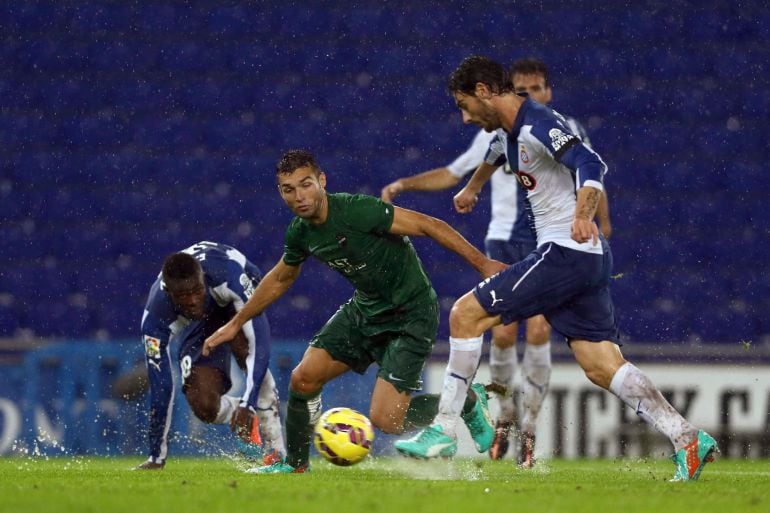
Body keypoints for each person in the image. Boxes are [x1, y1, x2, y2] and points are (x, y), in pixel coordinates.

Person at [395, 56, 718, 482]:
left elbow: (590, 162)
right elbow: (494, 155)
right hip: (583, 258)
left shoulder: (538, 124)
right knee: (600, 363)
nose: (464, 116)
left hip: (567, 250)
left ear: (484, 91)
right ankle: (687, 437)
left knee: (465, 314)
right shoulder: (510, 135)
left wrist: (584, 213)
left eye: (464, 104)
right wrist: (472, 189)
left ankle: (444, 429)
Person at [203, 150, 506, 473]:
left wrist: (483, 264)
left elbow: (428, 225)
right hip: (366, 310)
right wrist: (237, 322)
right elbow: (281, 277)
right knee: (303, 379)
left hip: (411, 314)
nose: (299, 196)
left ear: (322, 181)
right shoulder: (300, 232)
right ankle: (294, 465)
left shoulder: (359, 211)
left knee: (387, 420)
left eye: (305, 185)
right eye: (288, 189)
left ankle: (469, 402)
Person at [382, 57, 613, 466]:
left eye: (537, 88)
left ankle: (530, 426)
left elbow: (588, 172)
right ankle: (504, 416)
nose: (530, 95)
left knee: (537, 330)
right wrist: (466, 189)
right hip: (505, 237)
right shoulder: (502, 129)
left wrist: (596, 220)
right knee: (503, 335)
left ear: (547, 90)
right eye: (523, 89)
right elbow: (470, 166)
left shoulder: (556, 126)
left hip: (550, 239)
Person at [136, 241, 286, 470]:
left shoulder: (229, 274)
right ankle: (240, 413)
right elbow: (161, 386)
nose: (193, 299)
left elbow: (260, 342)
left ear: (203, 278)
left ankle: (276, 451)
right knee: (203, 405)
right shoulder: (155, 319)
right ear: (169, 292)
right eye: (184, 295)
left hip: (235, 294)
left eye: (196, 290)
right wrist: (156, 455)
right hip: (199, 319)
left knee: (245, 348)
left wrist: (250, 401)